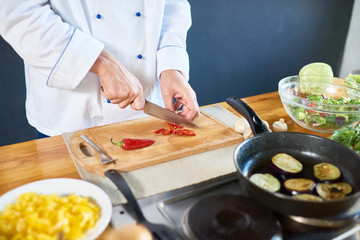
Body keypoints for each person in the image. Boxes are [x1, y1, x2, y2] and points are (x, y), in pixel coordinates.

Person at [0, 0, 199, 137]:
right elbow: (18, 14)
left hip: (150, 104)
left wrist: (171, 65)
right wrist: (99, 62)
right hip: (74, 113)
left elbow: (172, 5)